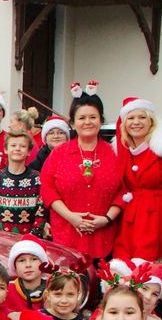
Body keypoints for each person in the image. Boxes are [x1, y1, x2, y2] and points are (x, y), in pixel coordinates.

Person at [41, 89, 123, 261]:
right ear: (72, 122)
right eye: (81, 118)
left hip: (104, 237)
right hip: (67, 235)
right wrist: (71, 217)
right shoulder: (59, 154)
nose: (87, 122)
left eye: (93, 117)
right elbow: (47, 189)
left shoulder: (114, 153)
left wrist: (107, 219)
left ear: (101, 120)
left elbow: (124, 190)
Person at [111, 97, 162, 260]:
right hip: (133, 220)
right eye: (131, 118)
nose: (136, 122)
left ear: (151, 121)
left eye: (142, 117)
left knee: (159, 266)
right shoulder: (123, 151)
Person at [0, 131, 45, 236]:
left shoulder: (37, 179)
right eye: (13, 145)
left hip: (29, 240)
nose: (17, 148)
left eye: (23, 146)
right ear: (5, 149)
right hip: (1, 239)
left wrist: (32, 237)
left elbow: (41, 212)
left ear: (29, 151)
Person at [2, 237, 50, 320]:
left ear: (43, 263)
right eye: (22, 261)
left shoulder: (53, 289)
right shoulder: (5, 290)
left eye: (34, 259)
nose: (28, 265)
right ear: (15, 266)